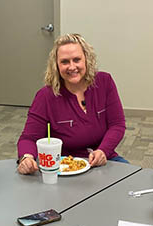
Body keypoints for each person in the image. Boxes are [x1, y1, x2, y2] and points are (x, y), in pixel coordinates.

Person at [17, 33, 127, 175]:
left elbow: (117, 124)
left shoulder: (105, 82)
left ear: (86, 60)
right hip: (66, 166)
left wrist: (103, 151)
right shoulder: (45, 96)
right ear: (56, 65)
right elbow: (28, 138)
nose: (72, 67)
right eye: (65, 62)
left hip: (104, 158)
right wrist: (26, 157)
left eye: (77, 60)